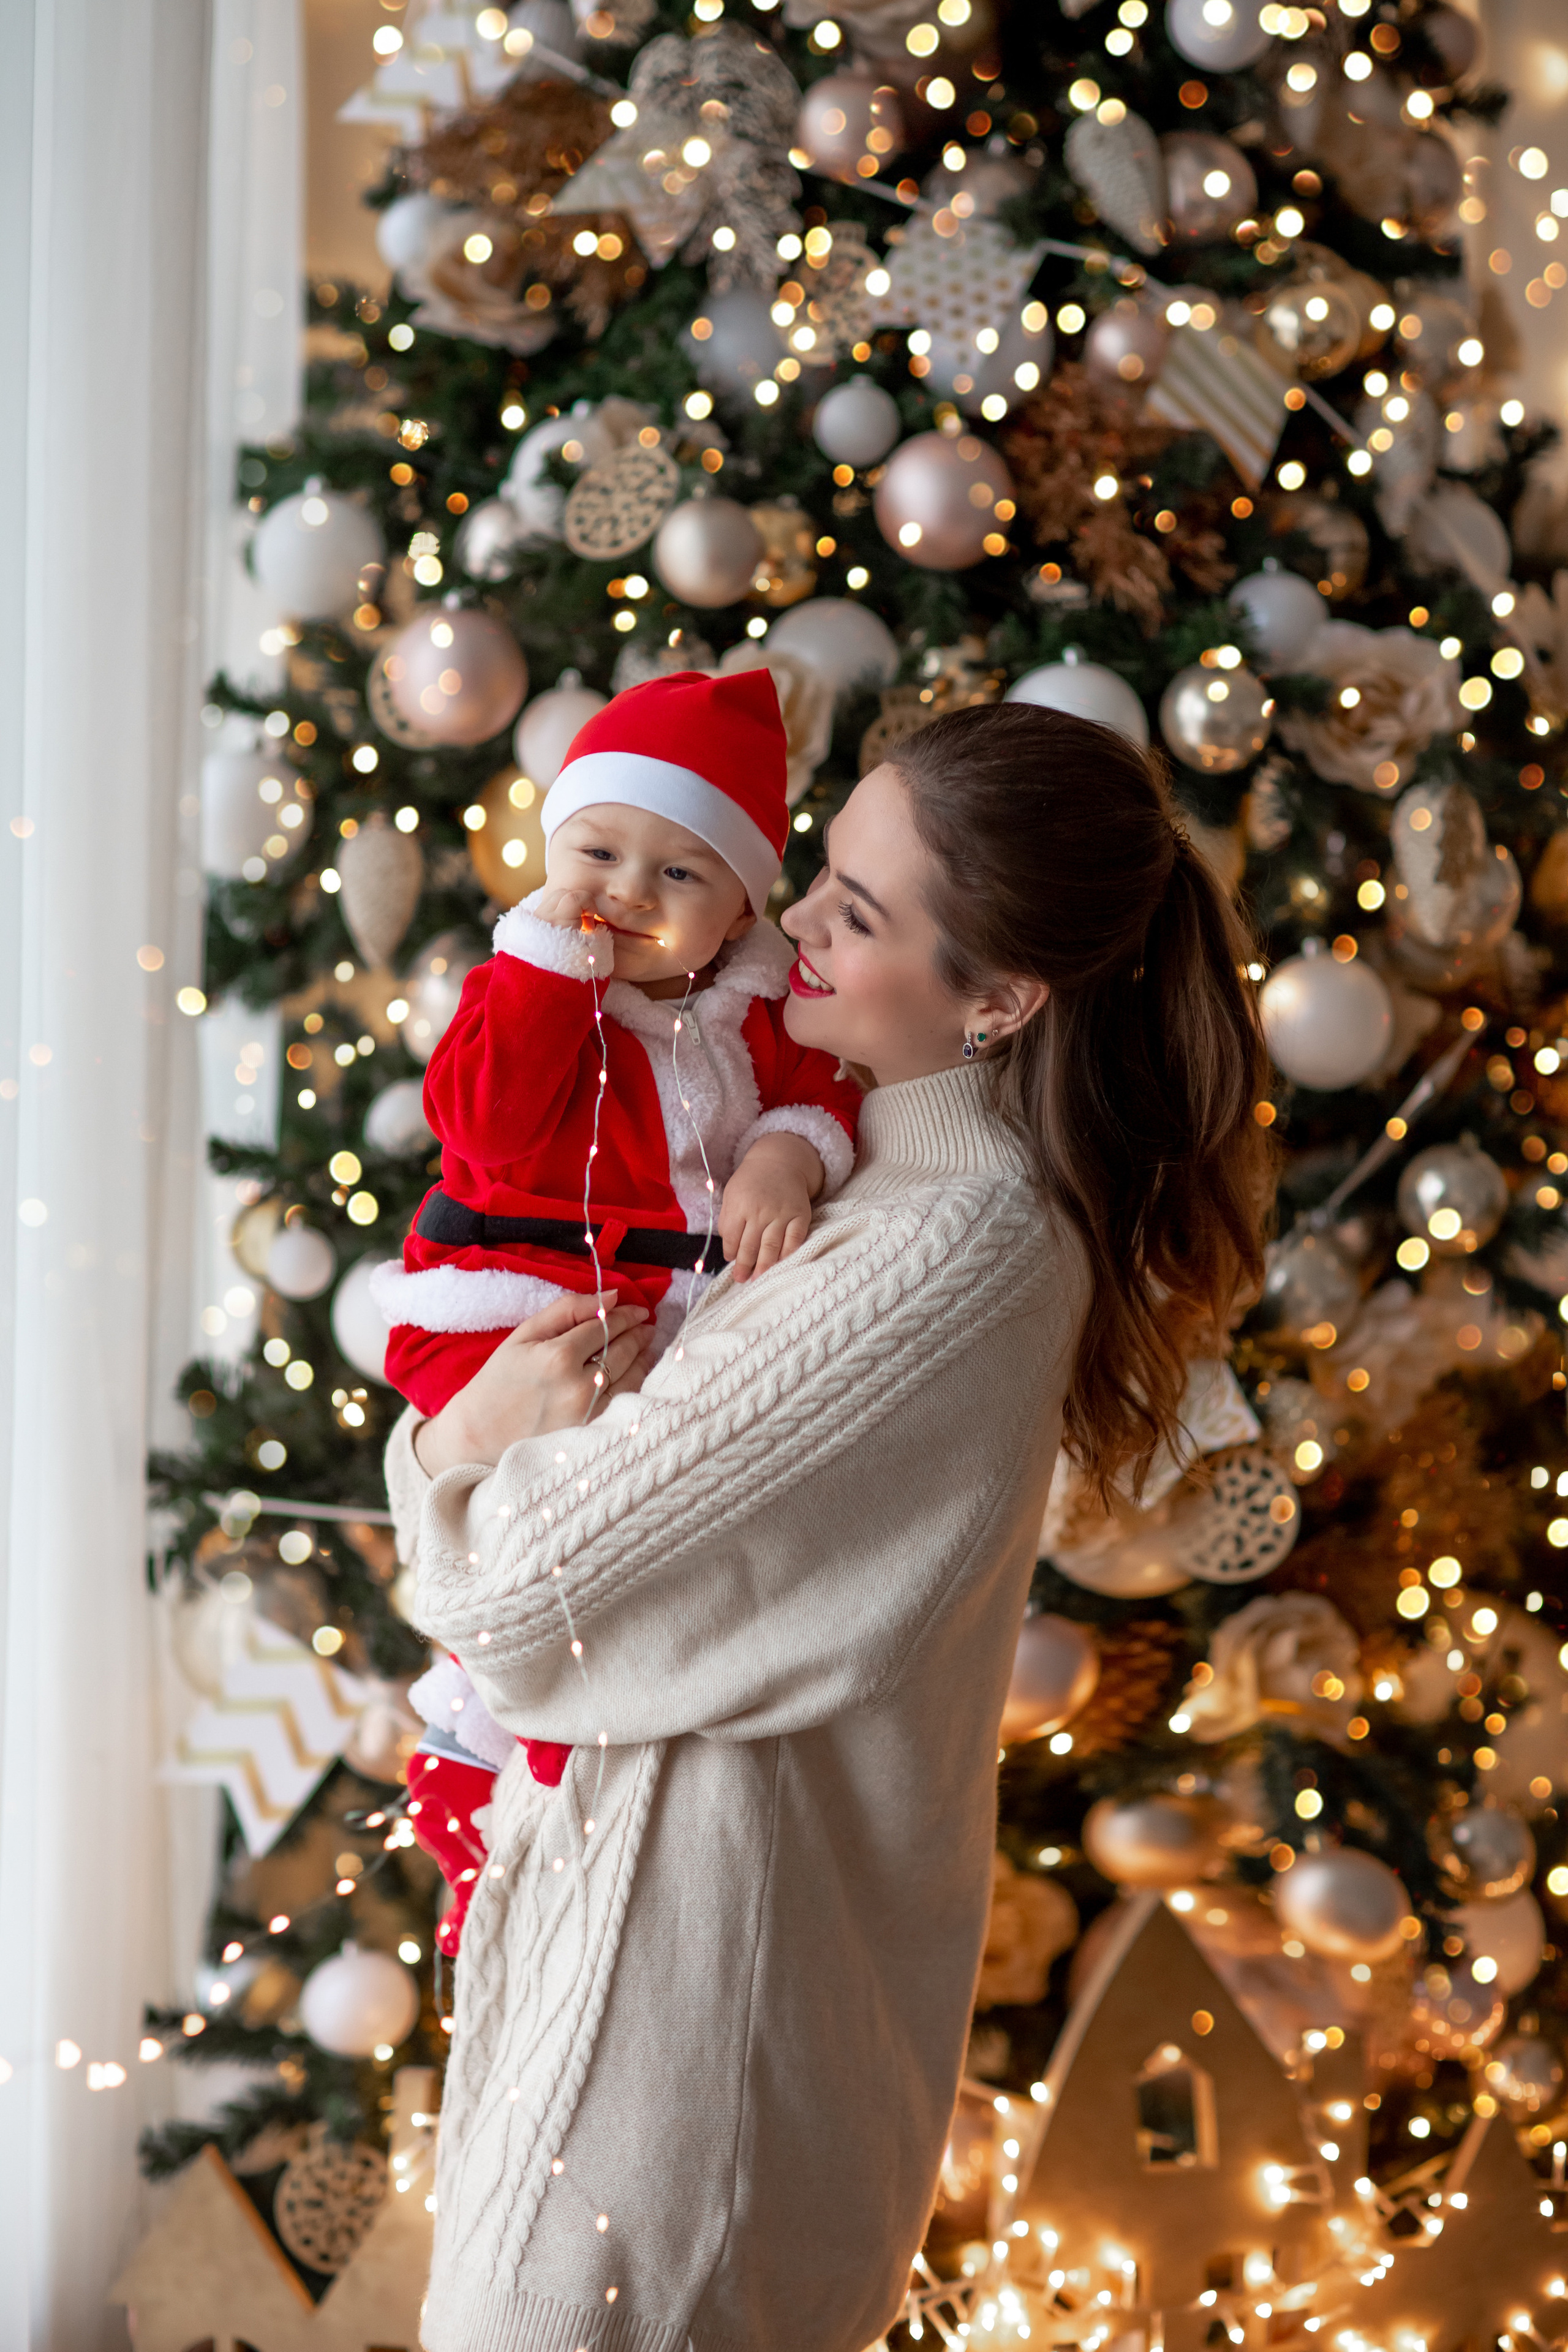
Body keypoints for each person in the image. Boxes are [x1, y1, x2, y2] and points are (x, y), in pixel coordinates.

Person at [383, 701, 1272, 2352]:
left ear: (999, 1000)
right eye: (827, 875)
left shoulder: (942, 1258)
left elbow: (511, 1594)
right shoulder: (860, 1174)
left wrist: (451, 1443)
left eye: (856, 914)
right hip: (650, 2063)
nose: (789, 918)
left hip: (671, 2137)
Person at [374, 668, 860, 1936]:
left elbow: (829, 1096)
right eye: (595, 851)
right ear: (548, 855)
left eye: (678, 875)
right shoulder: (526, 988)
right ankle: (479, 1751)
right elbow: (474, 1126)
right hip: (500, 1314)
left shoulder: (762, 1014)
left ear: (743, 903)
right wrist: (547, 973)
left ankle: (546, 1748)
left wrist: (787, 1150)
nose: (626, 894)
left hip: (657, 1323)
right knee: (529, 1527)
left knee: (617, 1537)